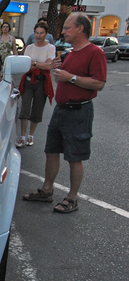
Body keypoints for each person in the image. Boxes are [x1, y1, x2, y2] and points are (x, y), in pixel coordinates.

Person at [22, 13, 106, 214]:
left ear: (80, 29)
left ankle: (72, 198)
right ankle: (47, 190)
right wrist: (58, 70)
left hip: (79, 111)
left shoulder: (95, 53)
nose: (64, 31)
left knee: (74, 156)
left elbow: (99, 83)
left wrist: (71, 78)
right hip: (61, 109)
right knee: (51, 151)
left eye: (68, 28)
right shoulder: (69, 53)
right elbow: (63, 78)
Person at [16, 21, 56, 148]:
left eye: (41, 33)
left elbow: (49, 66)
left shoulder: (50, 48)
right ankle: (22, 136)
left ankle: (30, 135)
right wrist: (40, 64)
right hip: (29, 81)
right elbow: (26, 65)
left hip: (42, 82)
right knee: (25, 109)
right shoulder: (29, 48)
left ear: (46, 34)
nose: (39, 36)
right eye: (37, 33)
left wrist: (34, 63)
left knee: (37, 110)